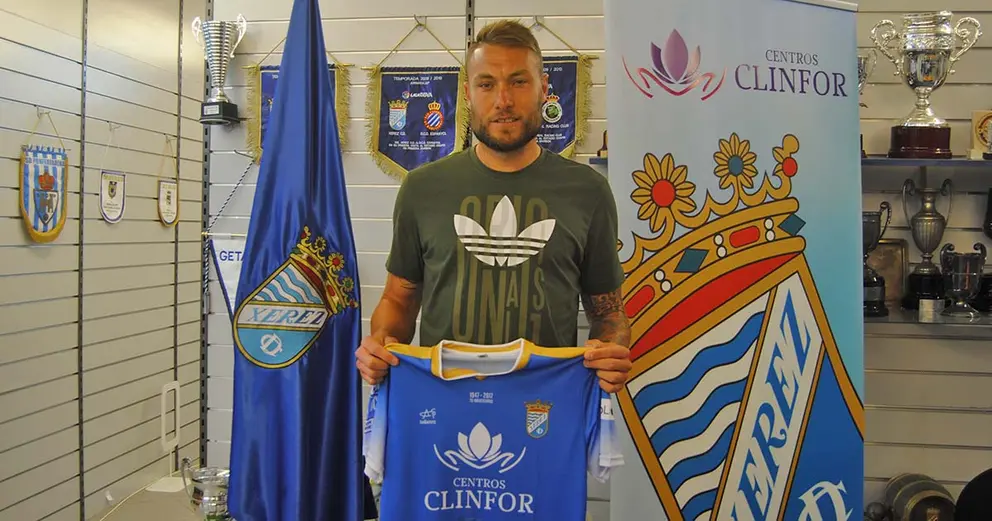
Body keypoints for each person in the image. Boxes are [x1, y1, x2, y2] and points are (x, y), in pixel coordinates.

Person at [354, 19, 632, 394]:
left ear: (544, 90)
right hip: (440, 405)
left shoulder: (588, 191)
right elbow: (398, 300)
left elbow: (608, 312)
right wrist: (382, 342)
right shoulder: (422, 188)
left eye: (519, 81)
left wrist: (611, 349)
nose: (503, 100)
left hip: (547, 409)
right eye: (487, 84)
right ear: (468, 93)